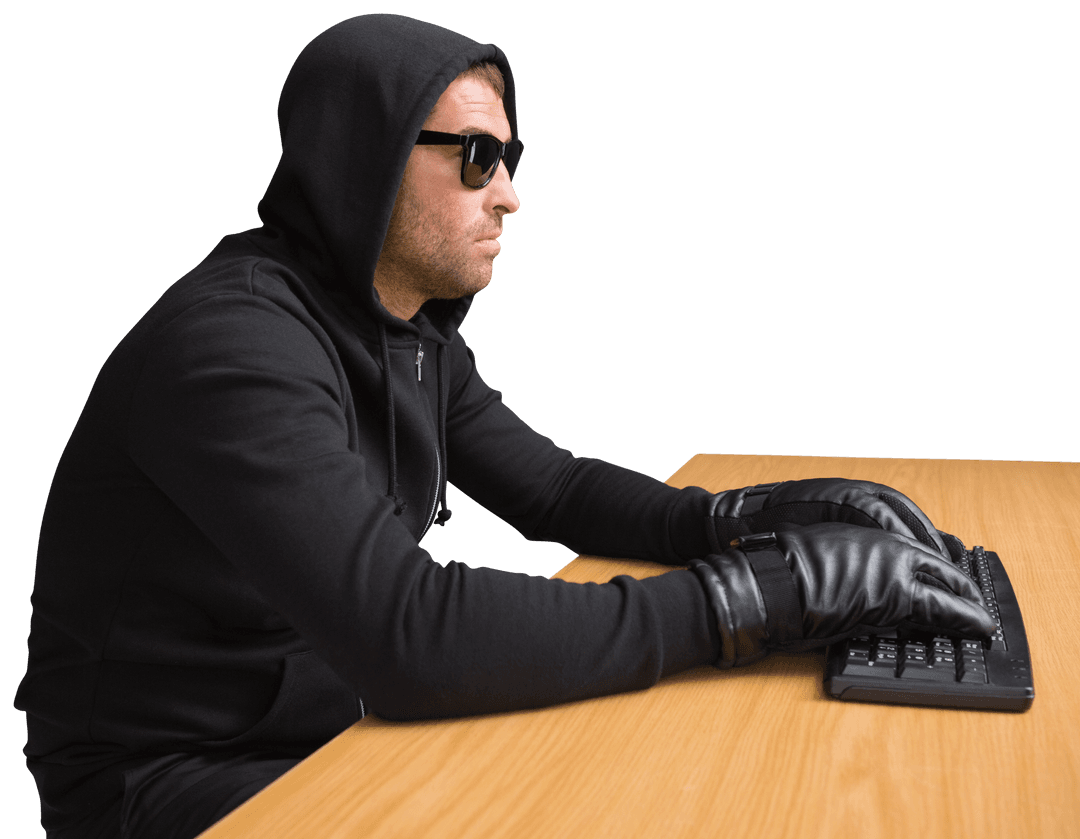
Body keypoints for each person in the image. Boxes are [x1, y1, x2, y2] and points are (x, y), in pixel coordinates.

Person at [14, 14, 995, 839]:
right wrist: (761, 600)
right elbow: (410, 634)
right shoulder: (231, 349)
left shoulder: (403, 329)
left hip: (320, 725)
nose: (510, 196)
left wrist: (747, 517)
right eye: (477, 158)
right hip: (168, 785)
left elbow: (556, 488)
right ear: (363, 155)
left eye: (511, 159)